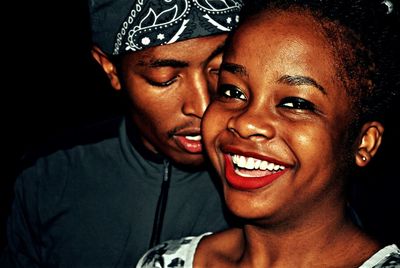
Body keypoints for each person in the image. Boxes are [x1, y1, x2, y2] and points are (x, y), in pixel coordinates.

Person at [137, 0, 400, 267]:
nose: (246, 123)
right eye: (232, 91)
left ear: (364, 142)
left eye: (295, 104)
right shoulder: (164, 261)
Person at [1, 0, 243, 267]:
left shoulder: (270, 181)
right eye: (164, 78)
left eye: (221, 70)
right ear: (110, 68)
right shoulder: (48, 175)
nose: (202, 105)